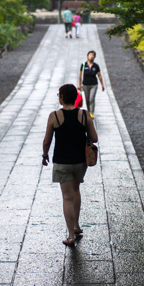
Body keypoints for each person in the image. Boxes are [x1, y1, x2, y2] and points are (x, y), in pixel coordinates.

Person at [42, 83, 98, 247]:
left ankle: (71, 236)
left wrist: (45, 155)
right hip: (80, 161)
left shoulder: (54, 116)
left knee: (67, 197)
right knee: (76, 190)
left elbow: (47, 141)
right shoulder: (84, 115)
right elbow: (94, 138)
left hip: (62, 161)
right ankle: (76, 225)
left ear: (61, 97)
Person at [78, 50, 105, 118]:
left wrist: (102, 84)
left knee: (91, 98)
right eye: (90, 55)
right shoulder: (83, 65)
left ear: (94, 57)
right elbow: (80, 75)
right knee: (87, 99)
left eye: (93, 55)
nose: (91, 56)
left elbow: (99, 75)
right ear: (87, 56)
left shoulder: (96, 66)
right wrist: (79, 84)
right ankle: (88, 111)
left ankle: (91, 113)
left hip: (94, 84)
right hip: (85, 84)